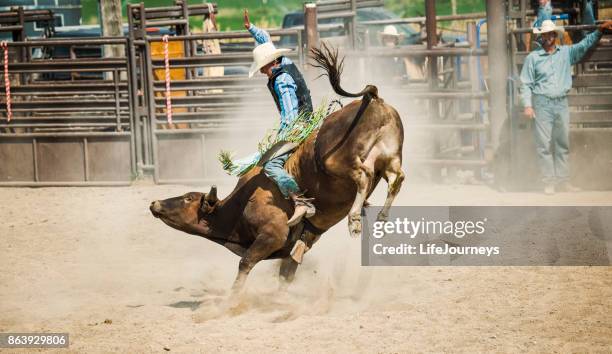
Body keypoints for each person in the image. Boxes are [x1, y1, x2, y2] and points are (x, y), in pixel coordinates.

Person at [520, 19, 612, 194]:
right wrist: (528, 105)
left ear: (555, 35)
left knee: (562, 142)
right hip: (542, 102)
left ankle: (562, 181)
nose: (548, 37)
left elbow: (584, 45)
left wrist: (599, 30)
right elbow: (525, 83)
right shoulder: (532, 58)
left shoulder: (566, 53)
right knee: (544, 144)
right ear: (540, 37)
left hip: (560, 102)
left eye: (550, 34)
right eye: (544, 34)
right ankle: (549, 181)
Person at [244, 9, 315, 226]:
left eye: (263, 68)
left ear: (270, 63)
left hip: (298, 125)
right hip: (308, 119)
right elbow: (265, 40)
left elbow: (290, 113)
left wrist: (280, 138)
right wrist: (252, 29)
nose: (263, 72)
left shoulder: (281, 80)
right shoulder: (283, 62)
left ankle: (300, 200)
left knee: (271, 166)